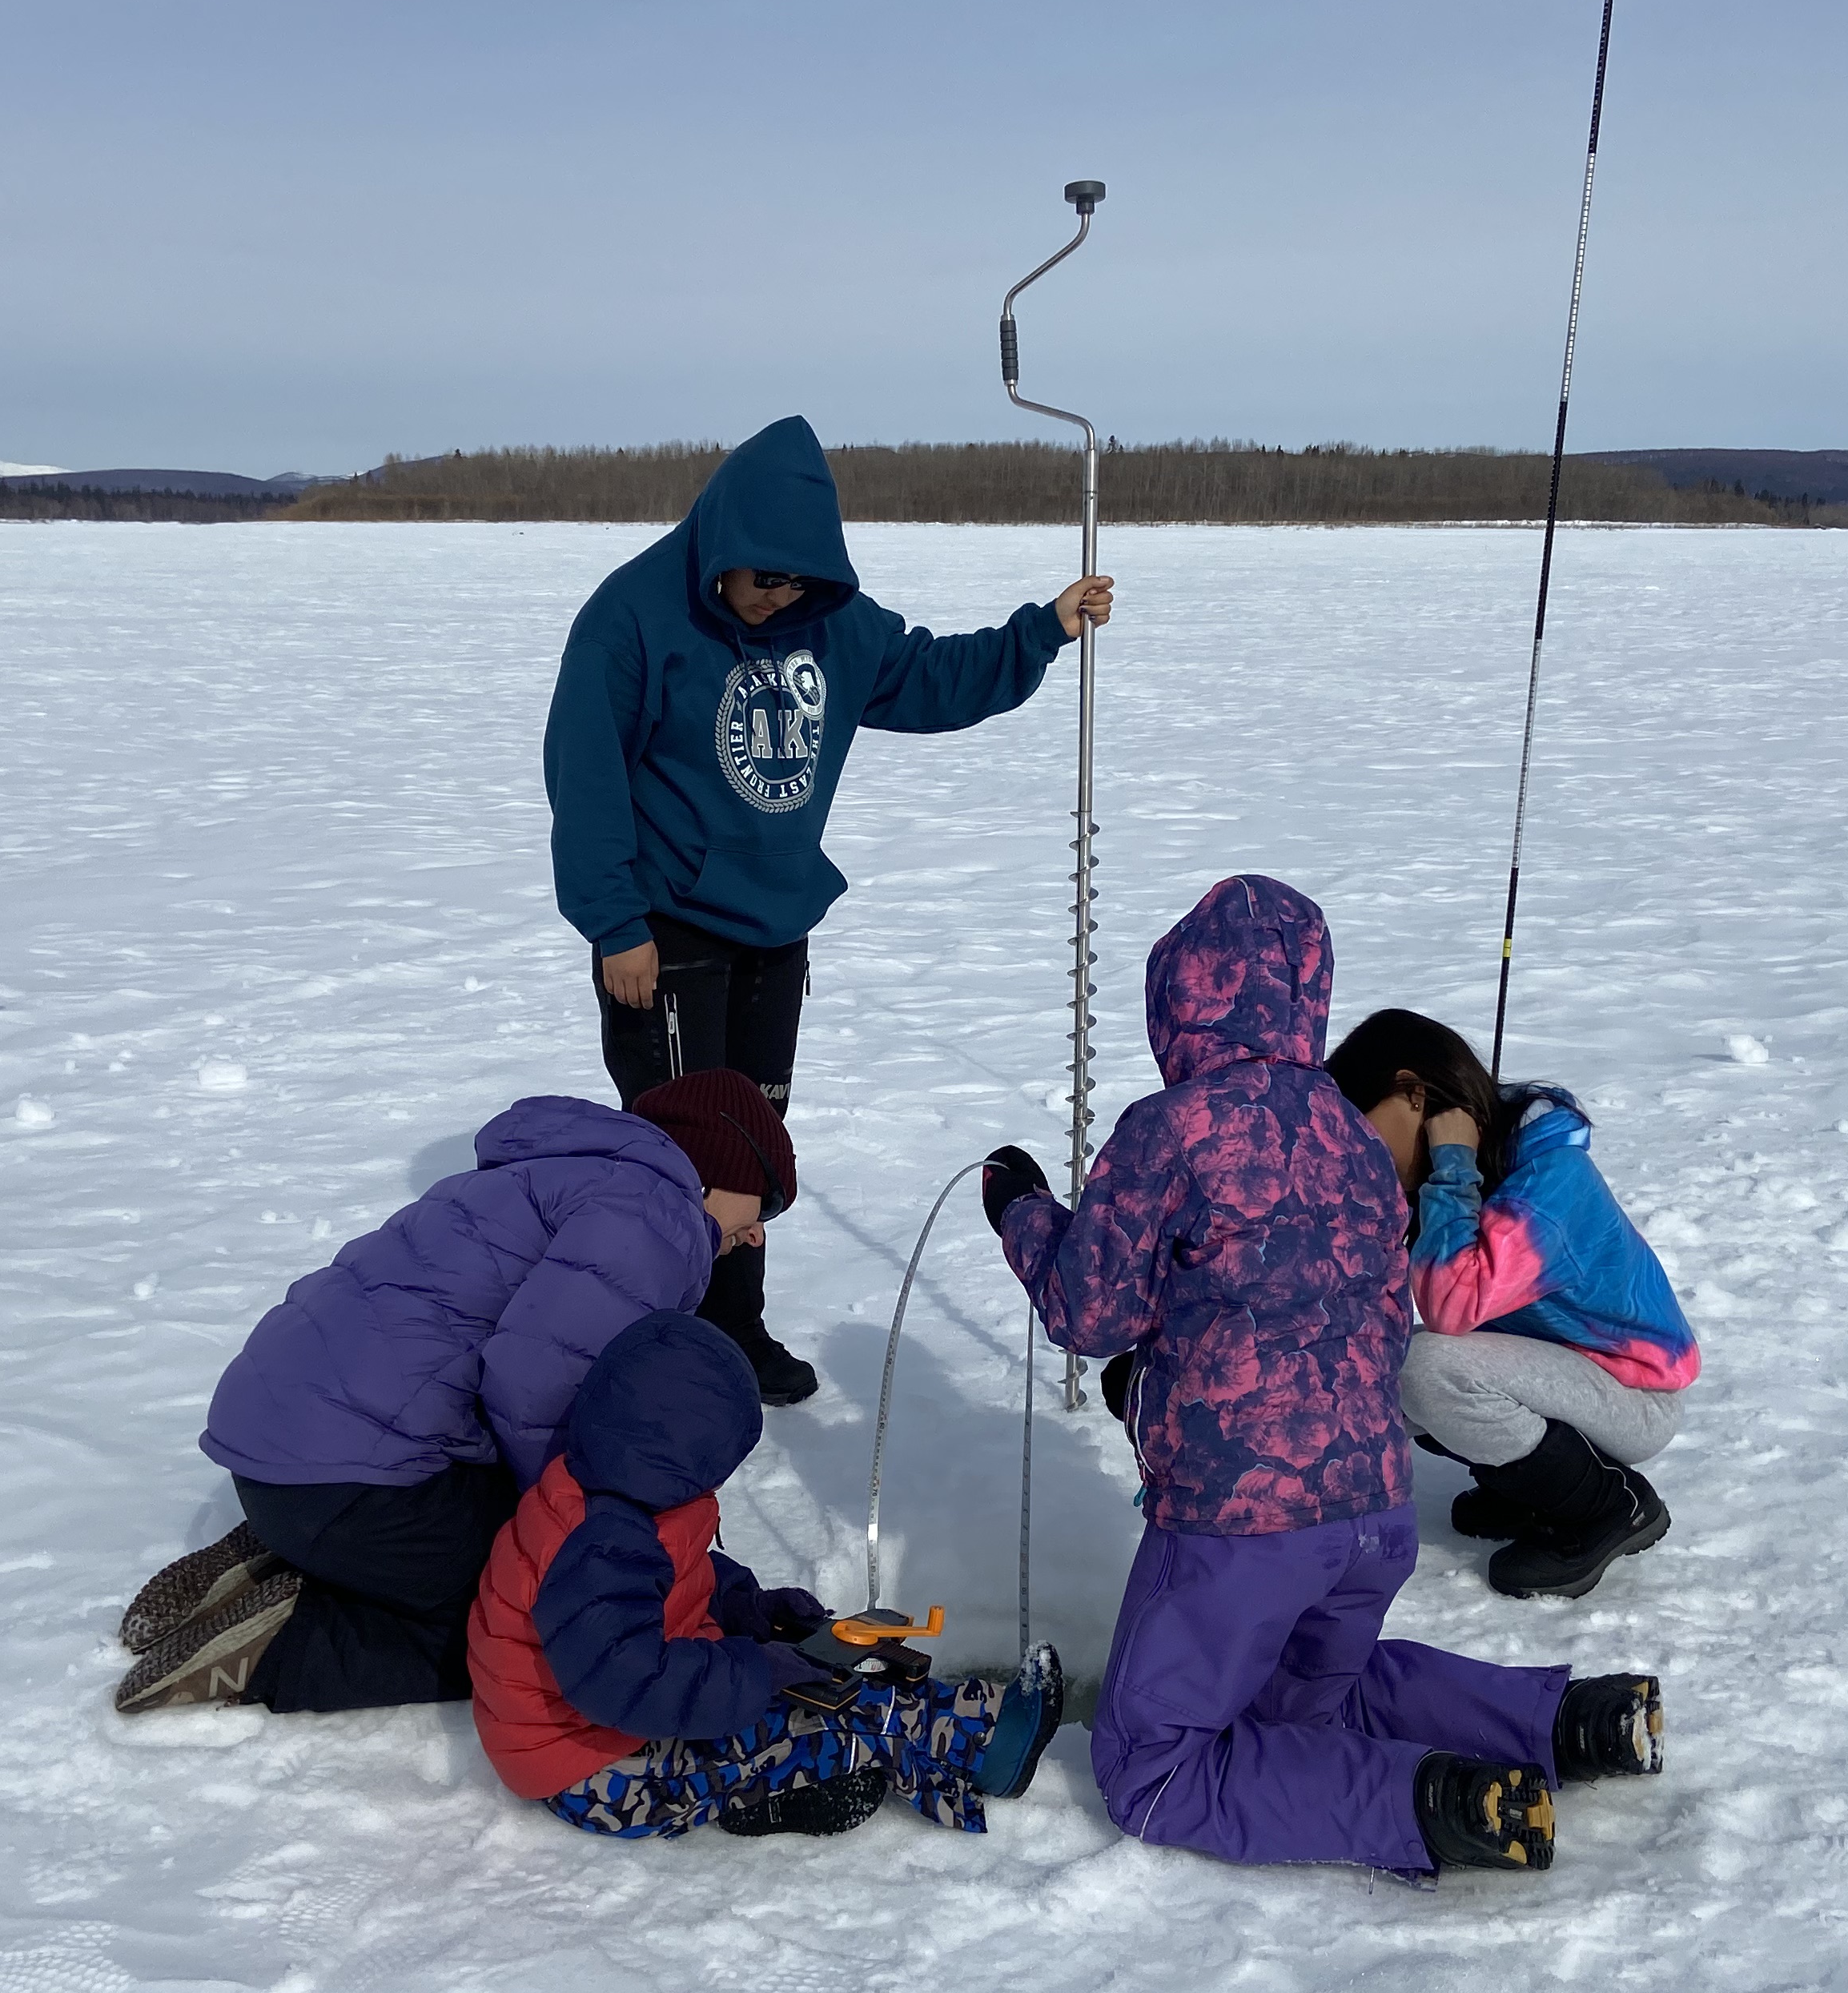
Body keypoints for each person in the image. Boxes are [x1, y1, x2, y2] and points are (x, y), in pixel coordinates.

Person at [983, 875, 1662, 1878]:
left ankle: (1431, 1806)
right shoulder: (1353, 1137)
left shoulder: (1169, 1130)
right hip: (1370, 1508)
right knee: (1311, 1696)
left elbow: (1093, 1313)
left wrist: (1025, 1210)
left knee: (1154, 1765)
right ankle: (1561, 1724)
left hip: (1239, 1524)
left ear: (1178, 1000)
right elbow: (1384, 1312)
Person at [544, 414, 1114, 1408]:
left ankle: (733, 1329)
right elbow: (584, 774)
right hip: (667, 927)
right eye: (763, 582)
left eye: (796, 585)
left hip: (776, 925)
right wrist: (614, 923)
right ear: (724, 548)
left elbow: (929, 676)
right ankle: (653, 1343)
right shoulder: (631, 615)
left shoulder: (830, 619)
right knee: (673, 1149)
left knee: (753, 1143)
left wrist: (1042, 630)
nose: (777, 602)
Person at [109, 1071, 795, 1715]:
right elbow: (542, 1388)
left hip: (281, 1448)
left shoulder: (558, 1172)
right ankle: (281, 1648)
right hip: (351, 1486)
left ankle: (285, 1553)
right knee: (537, 1632)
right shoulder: (656, 1216)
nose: (760, 1232)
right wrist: (577, 1538)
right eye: (763, 1203)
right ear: (718, 1171)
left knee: (529, 1569)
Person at [468, 1310, 1064, 1840]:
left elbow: (676, 1579)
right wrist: (753, 1670)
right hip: (592, 1766)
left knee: (826, 1677)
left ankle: (970, 1717)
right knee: (835, 1722)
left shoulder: (620, 1491)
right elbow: (625, 1681)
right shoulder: (601, 1542)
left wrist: (749, 1608)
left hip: (620, 1723)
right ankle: (983, 1749)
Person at [1326, 1009, 1698, 1601]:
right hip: (1558, 1378)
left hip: (1632, 1395)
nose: (1359, 1155)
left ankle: (1609, 1505)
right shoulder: (1465, 1173)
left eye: (1363, 1131)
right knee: (1382, 1368)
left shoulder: (1550, 1181)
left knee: (1426, 1369)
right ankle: (1531, 1489)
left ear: (1413, 1093)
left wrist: (1452, 1169)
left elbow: (1451, 1307)